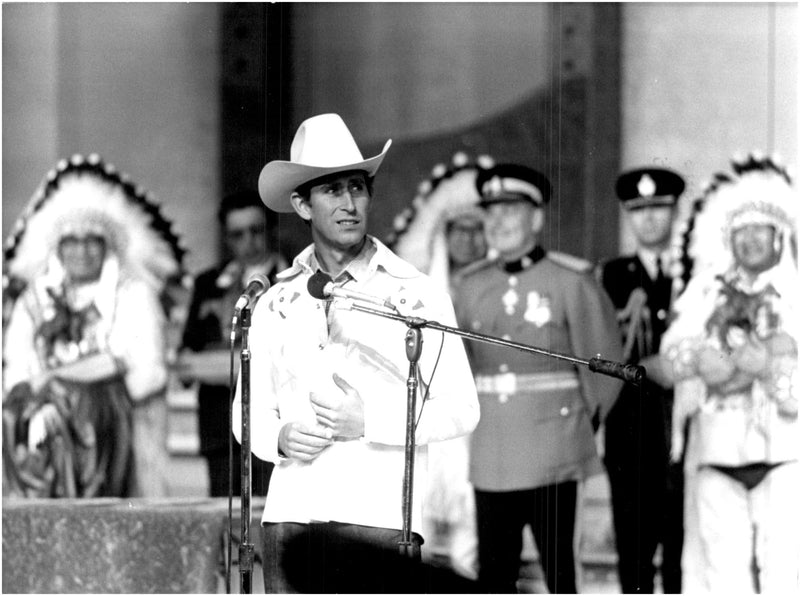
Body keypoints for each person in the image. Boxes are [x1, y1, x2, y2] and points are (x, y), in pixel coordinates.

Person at [231, 113, 480, 593]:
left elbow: (461, 409)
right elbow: (246, 412)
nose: (349, 203)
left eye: (357, 188)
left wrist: (370, 421)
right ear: (302, 205)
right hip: (292, 515)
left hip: (378, 516)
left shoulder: (418, 295)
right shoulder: (276, 299)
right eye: (332, 191)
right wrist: (278, 437)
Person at [452, 163, 624, 594]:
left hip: (555, 450)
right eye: (491, 212)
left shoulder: (570, 281)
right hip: (492, 452)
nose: (499, 222)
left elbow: (606, 368)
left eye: (511, 210)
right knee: (493, 579)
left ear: (537, 218)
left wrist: (583, 426)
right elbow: (459, 368)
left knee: (560, 577)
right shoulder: (470, 287)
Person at [2, 154, 184, 498]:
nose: (81, 251)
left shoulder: (133, 293)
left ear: (107, 246)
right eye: (71, 241)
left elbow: (149, 372)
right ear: (58, 247)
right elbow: (17, 370)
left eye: (92, 241)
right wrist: (40, 403)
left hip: (114, 432)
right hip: (43, 425)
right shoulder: (34, 299)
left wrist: (83, 405)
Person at [661, 154, 799, 593]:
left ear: (780, 236)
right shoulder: (704, 292)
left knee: (782, 570)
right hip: (717, 450)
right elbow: (671, 357)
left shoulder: (796, 296)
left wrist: (774, 363)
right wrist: (698, 359)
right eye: (742, 231)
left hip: (785, 453)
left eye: (762, 230)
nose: (752, 241)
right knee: (722, 573)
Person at [391, 153, 492, 580]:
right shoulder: (423, 292)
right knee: (419, 532)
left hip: (485, 420)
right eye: (459, 230)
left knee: (473, 543)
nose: (468, 240)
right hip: (430, 420)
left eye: (477, 230)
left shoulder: (496, 287)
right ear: (444, 234)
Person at [600, 167, 686, 593]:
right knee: (633, 555)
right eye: (639, 210)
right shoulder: (610, 277)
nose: (649, 219)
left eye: (659, 208)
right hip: (630, 435)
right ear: (628, 217)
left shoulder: (696, 273)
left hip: (686, 434)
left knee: (683, 556)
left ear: (674, 211)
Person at [180, 189, 287, 497]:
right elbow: (186, 361)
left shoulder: (292, 279)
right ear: (226, 239)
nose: (248, 242)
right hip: (220, 426)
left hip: (274, 423)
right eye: (237, 234)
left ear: (272, 231)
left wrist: (215, 365)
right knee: (225, 519)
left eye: (257, 231)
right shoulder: (208, 284)